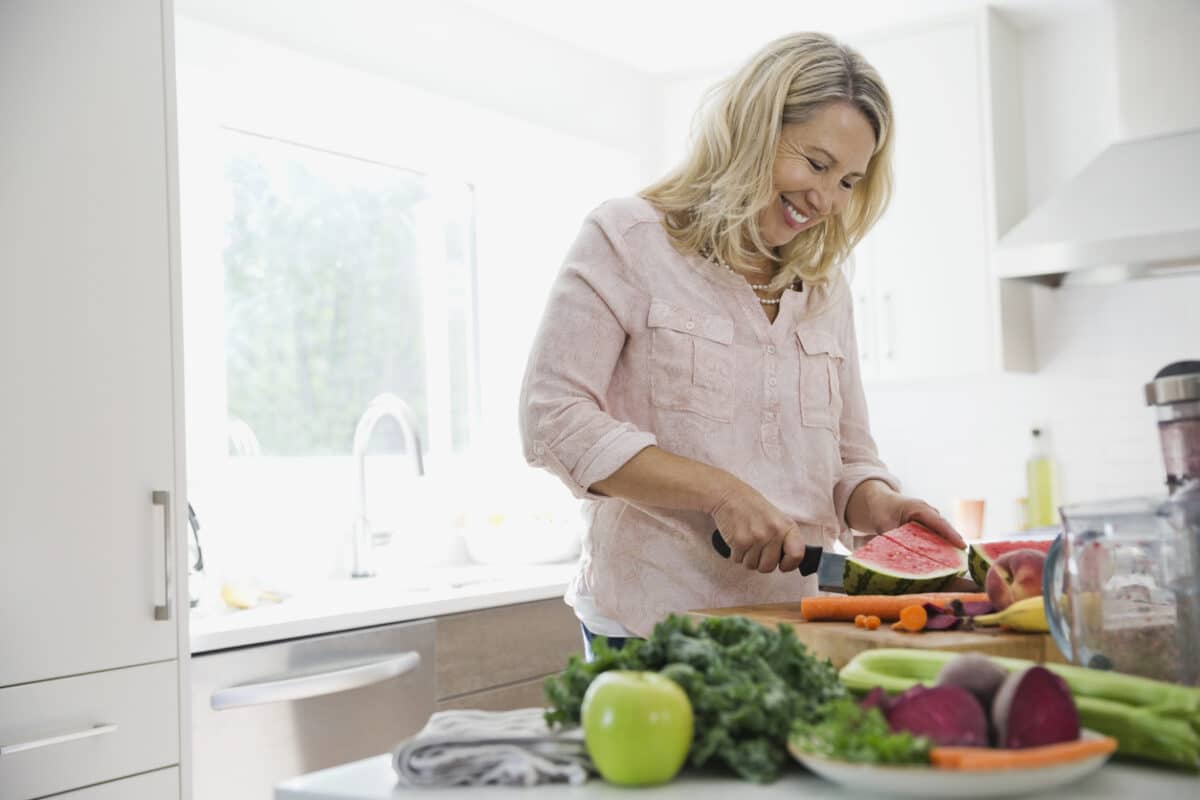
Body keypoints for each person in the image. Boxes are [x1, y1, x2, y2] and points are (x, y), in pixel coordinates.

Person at [518, 32, 964, 657]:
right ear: (754, 129)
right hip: (651, 629)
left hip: (799, 628)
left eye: (848, 182)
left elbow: (847, 458)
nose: (827, 200)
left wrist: (880, 507)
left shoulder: (825, 289)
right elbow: (552, 419)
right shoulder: (627, 239)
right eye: (815, 163)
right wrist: (721, 493)